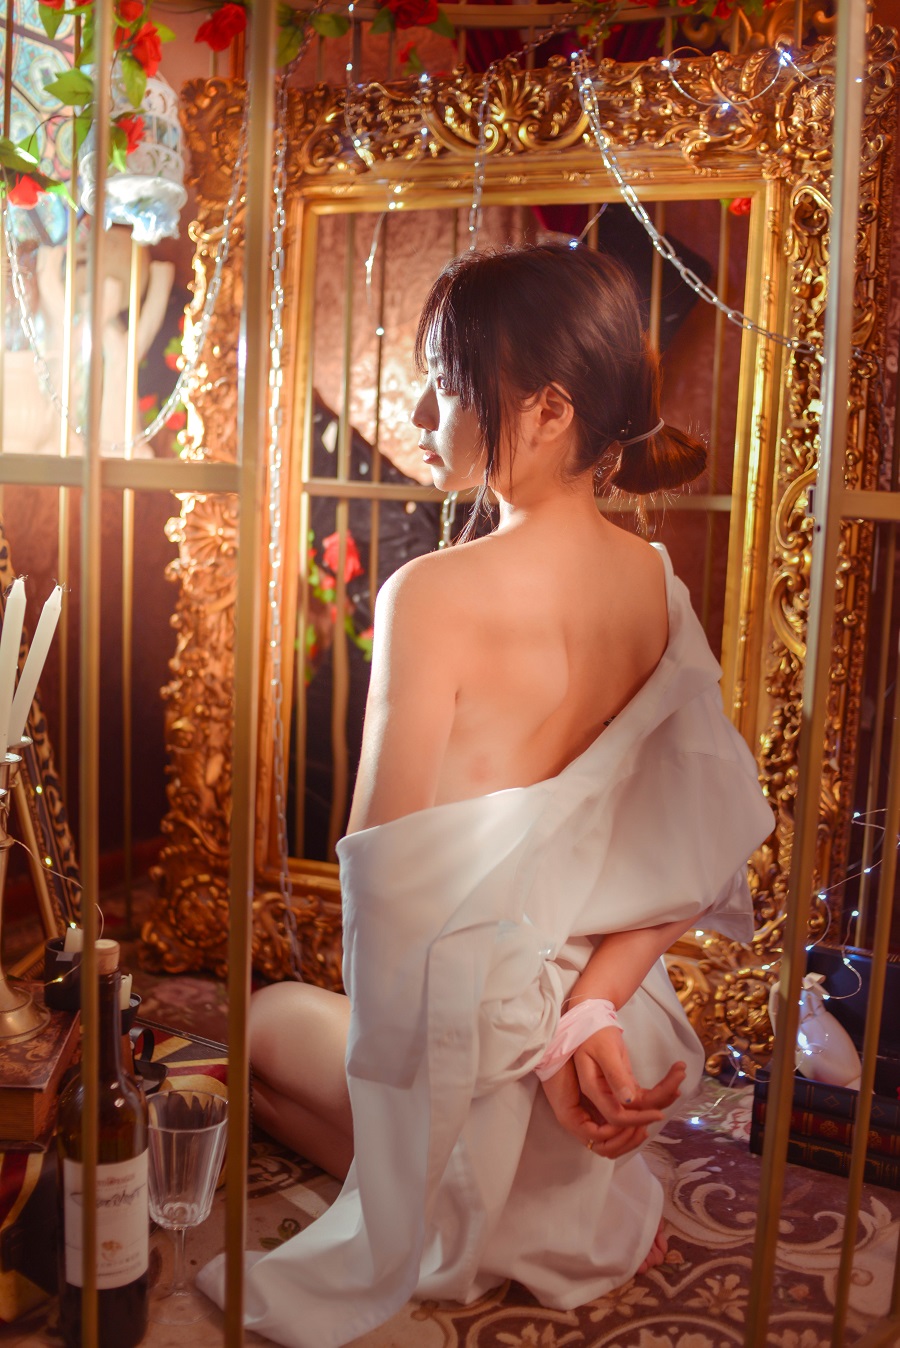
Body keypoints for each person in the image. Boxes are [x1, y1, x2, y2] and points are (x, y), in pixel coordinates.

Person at [198, 244, 773, 1347]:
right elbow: (700, 847)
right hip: (607, 1050)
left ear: (550, 409)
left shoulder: (430, 593)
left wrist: (501, 1048)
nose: (420, 412)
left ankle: (458, 1200)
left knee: (265, 1027)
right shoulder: (657, 586)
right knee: (340, 1068)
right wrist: (584, 1018)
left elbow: (381, 877)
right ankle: (534, 1206)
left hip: (494, 1042)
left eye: (446, 384)